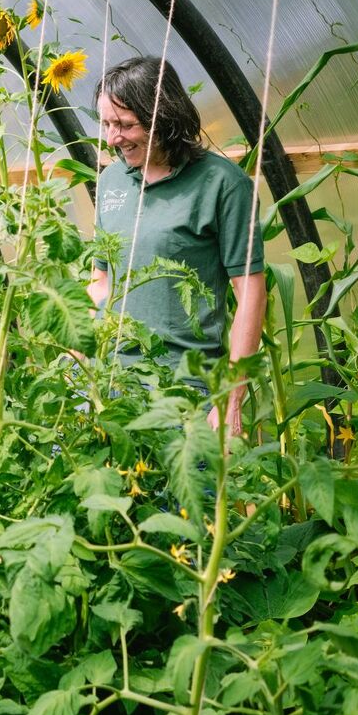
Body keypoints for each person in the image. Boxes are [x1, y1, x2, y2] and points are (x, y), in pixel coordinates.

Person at [87, 56, 267, 437]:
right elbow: (100, 279)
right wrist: (77, 354)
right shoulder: (112, 181)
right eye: (105, 123)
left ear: (164, 118)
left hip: (182, 384)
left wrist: (231, 397)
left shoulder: (222, 184)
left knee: (183, 495)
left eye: (124, 124)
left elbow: (249, 293)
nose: (111, 138)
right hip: (105, 376)